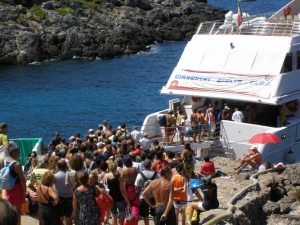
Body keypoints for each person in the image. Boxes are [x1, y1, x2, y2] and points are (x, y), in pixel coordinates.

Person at [5, 142, 26, 225]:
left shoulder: (4, 161)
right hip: (17, 188)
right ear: (14, 152)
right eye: (18, 152)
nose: (19, 154)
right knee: (18, 211)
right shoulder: (17, 164)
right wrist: (24, 191)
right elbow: (22, 180)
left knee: (10, 209)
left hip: (8, 188)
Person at [104, 161, 129, 225]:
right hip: (119, 198)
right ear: (116, 168)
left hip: (111, 198)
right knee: (122, 213)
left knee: (114, 215)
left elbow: (105, 187)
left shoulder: (106, 176)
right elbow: (122, 190)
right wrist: (127, 200)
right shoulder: (119, 177)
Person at [134, 159, 158, 225]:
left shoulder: (140, 175)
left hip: (143, 197)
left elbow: (136, 188)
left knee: (145, 215)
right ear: (150, 165)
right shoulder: (156, 174)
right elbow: (159, 185)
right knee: (155, 214)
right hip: (154, 196)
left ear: (144, 166)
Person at [54, 159, 74, 225]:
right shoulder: (71, 174)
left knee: (61, 217)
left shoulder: (55, 176)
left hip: (60, 198)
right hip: (70, 198)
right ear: (66, 166)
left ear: (58, 166)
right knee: (68, 217)